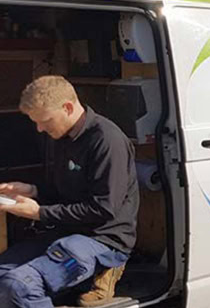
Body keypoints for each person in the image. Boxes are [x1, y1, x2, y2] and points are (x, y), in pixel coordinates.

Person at [0, 76, 139, 308]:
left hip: (102, 239)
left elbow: (103, 209)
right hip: (66, 232)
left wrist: (39, 213)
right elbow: (63, 191)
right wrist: (33, 190)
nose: (40, 128)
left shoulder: (107, 140)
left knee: (19, 285)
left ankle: (107, 270)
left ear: (67, 107)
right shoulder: (62, 137)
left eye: (44, 121)